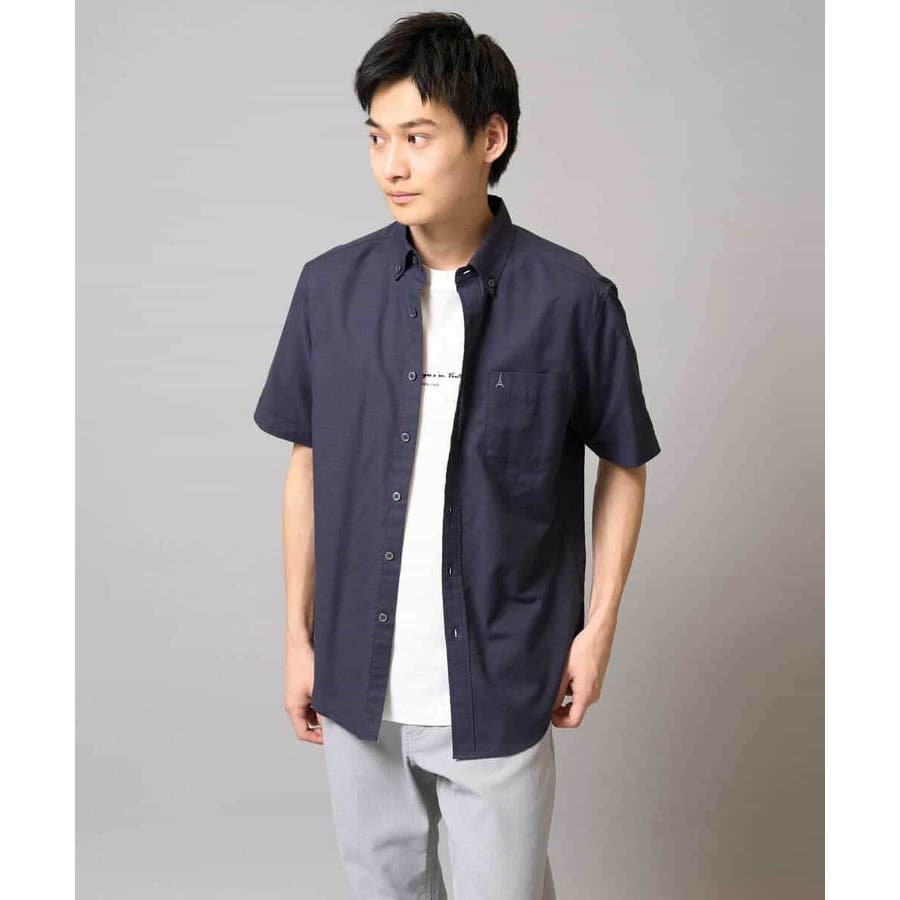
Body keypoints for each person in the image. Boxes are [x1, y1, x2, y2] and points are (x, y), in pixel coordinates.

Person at [252, 11, 661, 900]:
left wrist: (596, 632)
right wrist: (297, 638)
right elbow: (307, 466)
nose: (391, 165)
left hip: (502, 678)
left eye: (417, 136)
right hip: (358, 680)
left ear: (490, 138)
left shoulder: (571, 297)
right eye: (376, 137)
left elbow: (625, 462)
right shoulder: (329, 290)